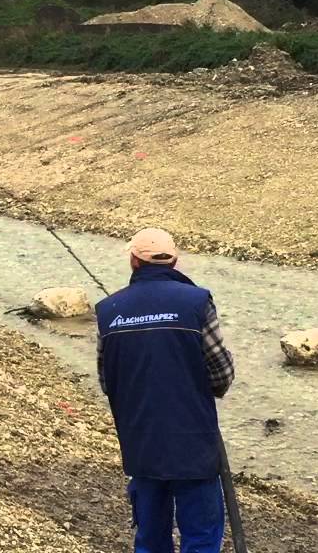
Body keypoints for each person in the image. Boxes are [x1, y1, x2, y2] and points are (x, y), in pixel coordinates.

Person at [96, 227, 235, 553]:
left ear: (134, 261)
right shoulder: (197, 301)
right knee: (201, 535)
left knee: (151, 537)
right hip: (193, 443)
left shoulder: (107, 310)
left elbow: (107, 381)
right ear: (174, 261)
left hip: (140, 441)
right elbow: (222, 373)